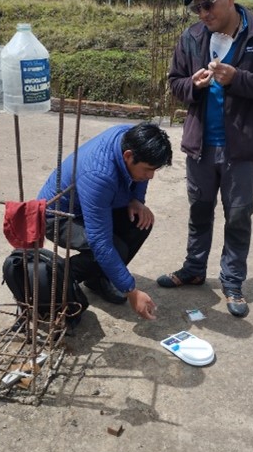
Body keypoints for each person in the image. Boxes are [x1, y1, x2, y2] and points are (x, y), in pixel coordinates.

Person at [161, 0, 253, 317]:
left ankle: (232, 282)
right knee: (199, 211)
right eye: (197, 8)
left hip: (242, 149)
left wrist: (237, 79)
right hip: (200, 145)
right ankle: (194, 269)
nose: (203, 14)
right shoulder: (192, 38)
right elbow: (174, 83)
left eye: (208, 5)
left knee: (238, 216)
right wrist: (193, 85)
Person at [37, 121, 173, 320]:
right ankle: (55, 278)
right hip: (58, 217)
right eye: (147, 169)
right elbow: (99, 241)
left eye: (155, 170)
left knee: (141, 221)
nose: (150, 176)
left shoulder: (130, 135)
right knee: (114, 248)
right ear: (128, 156)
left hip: (93, 204)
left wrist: (137, 199)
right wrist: (131, 291)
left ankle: (98, 279)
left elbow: (140, 179)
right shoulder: (99, 175)